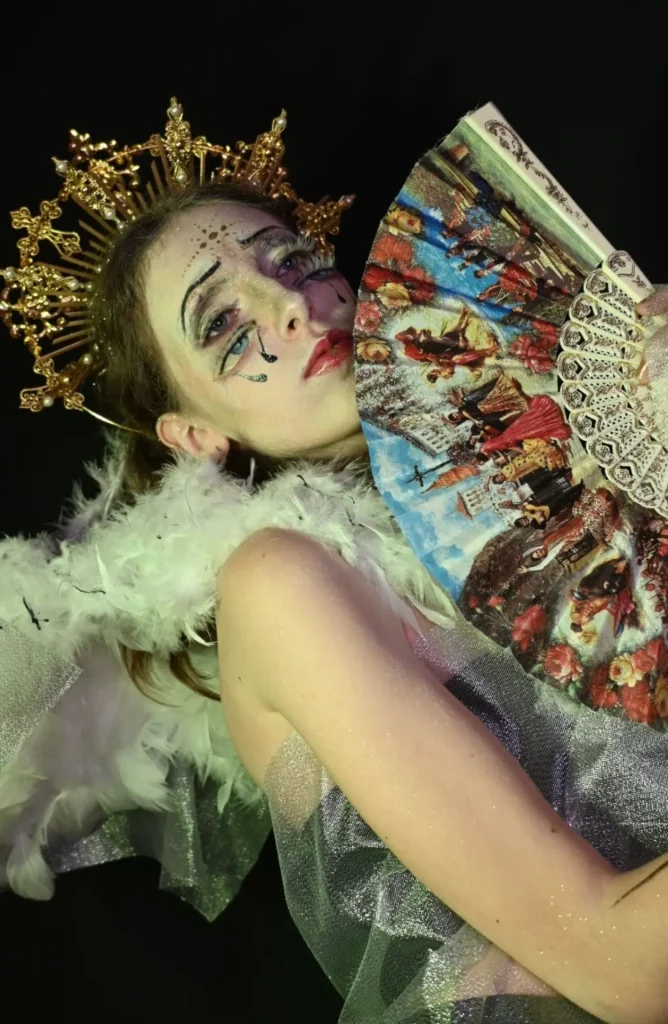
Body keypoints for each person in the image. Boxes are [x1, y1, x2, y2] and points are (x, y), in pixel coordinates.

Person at [3, 99, 668, 1024]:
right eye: (227, 329)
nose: (293, 305)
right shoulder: (280, 581)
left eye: (300, 263)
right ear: (196, 434)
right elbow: (622, 968)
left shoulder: (553, 492)